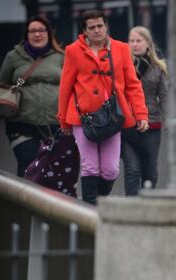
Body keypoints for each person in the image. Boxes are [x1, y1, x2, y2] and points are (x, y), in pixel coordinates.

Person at [57, 9, 149, 205]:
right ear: (84, 30)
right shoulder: (73, 51)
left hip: (112, 117)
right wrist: (63, 119)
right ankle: (91, 211)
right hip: (84, 118)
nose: (97, 30)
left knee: (111, 169)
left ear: (106, 26)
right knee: (90, 167)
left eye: (100, 26)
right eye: (92, 28)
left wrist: (141, 114)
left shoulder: (121, 48)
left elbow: (133, 85)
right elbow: (65, 87)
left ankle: (99, 201)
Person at [0, 16, 64, 177]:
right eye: (33, 31)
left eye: (41, 30)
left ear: (49, 33)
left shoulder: (60, 56)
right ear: (26, 35)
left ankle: (47, 203)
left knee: (52, 171)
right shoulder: (13, 56)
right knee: (29, 164)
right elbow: (0, 85)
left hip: (55, 124)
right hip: (21, 124)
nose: (37, 34)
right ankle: (22, 202)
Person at [121, 26, 168, 195]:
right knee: (132, 170)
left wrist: (168, 119)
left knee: (150, 172)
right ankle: (132, 212)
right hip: (128, 126)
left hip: (152, 125)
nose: (134, 45)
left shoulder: (159, 67)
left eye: (138, 41)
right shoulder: (122, 65)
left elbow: (164, 96)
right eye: (131, 41)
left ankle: (147, 208)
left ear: (148, 43)